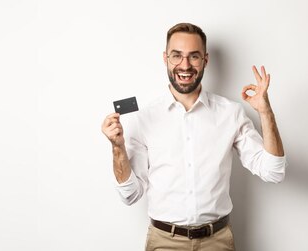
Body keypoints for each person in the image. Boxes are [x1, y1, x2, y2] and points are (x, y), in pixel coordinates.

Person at [100, 23, 286, 251]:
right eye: (176, 56)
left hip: (217, 242)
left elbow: (273, 172)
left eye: (194, 56)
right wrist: (117, 148)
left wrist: (265, 112)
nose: (185, 65)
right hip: (164, 242)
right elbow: (130, 195)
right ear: (165, 58)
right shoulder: (144, 117)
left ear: (205, 60)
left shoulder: (231, 113)